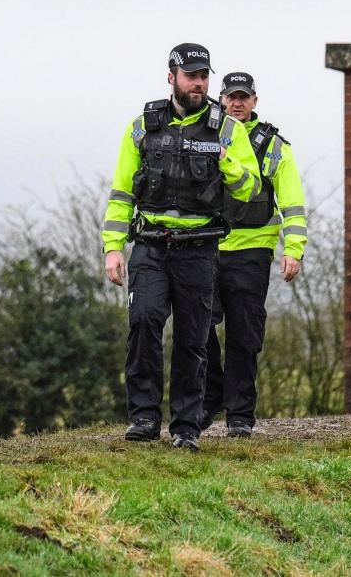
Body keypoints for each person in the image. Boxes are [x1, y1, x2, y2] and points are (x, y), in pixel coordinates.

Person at [101, 44, 261, 451]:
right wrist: (113, 247)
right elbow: (122, 192)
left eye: (204, 75)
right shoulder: (141, 127)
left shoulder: (228, 129)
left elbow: (251, 188)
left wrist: (228, 163)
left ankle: (186, 427)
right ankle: (143, 417)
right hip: (151, 245)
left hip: (200, 249)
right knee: (144, 323)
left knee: (193, 339)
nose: (199, 82)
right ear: (171, 76)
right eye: (191, 75)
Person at [199, 71, 307, 437]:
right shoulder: (204, 133)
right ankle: (210, 395)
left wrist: (293, 250)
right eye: (231, 96)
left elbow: (292, 203)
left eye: (244, 97)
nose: (237, 103)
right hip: (205, 246)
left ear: (255, 101)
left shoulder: (274, 145)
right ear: (221, 98)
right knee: (197, 326)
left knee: (244, 335)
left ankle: (240, 415)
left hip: (252, 250)